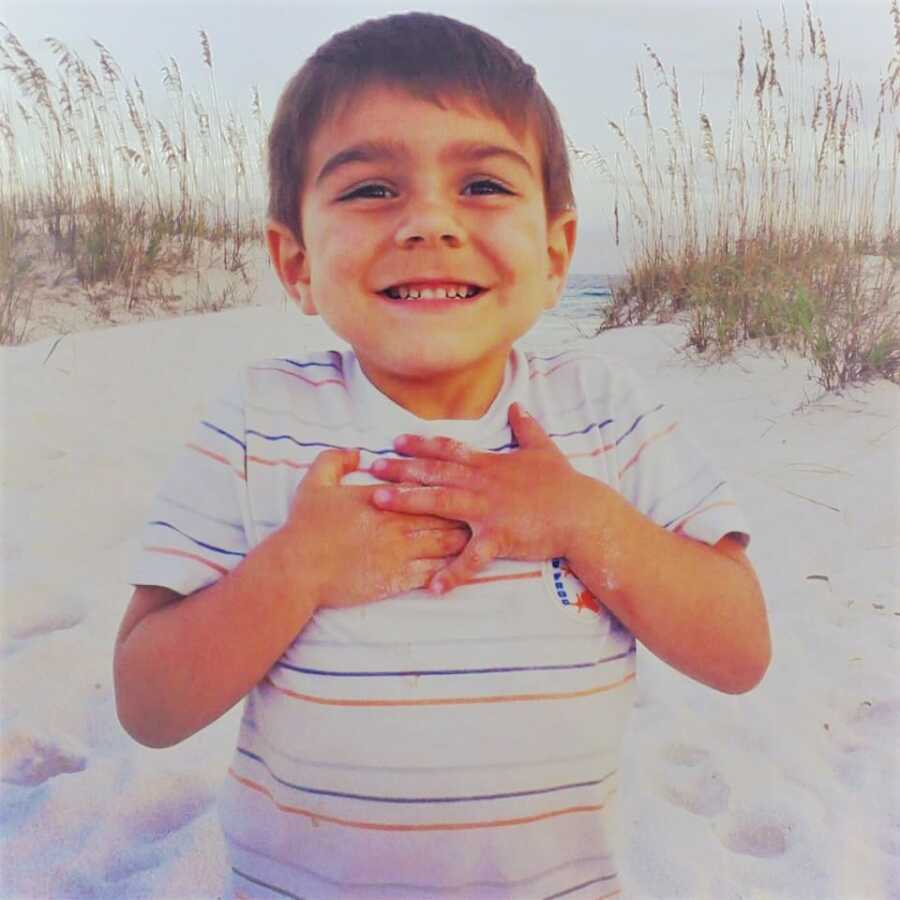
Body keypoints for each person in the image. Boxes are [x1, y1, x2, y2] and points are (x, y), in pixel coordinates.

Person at [114, 12, 770, 899]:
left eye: (484, 187)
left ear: (554, 252)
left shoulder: (606, 415)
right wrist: (297, 569)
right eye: (371, 189)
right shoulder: (258, 421)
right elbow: (149, 705)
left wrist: (583, 519)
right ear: (295, 260)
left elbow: (739, 650)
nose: (428, 221)